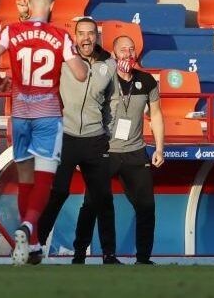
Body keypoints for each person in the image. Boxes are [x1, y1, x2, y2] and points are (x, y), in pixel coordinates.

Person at [0, 0, 88, 266]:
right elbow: (79, 75)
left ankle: (32, 246)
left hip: (19, 114)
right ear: (51, 5)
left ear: (29, 4)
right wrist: (82, 64)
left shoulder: (11, 30)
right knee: (45, 180)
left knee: (26, 180)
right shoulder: (59, 35)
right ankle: (28, 227)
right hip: (47, 114)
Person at [74, 35, 165, 265]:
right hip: (104, 150)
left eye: (132, 49)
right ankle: (85, 254)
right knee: (93, 204)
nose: (128, 54)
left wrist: (160, 149)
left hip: (135, 151)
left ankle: (143, 258)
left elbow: (155, 115)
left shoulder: (147, 81)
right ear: (114, 54)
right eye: (123, 50)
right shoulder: (104, 78)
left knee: (146, 207)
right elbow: (84, 111)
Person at [37, 17, 120, 265]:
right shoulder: (65, 60)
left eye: (91, 33)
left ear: (97, 36)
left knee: (102, 198)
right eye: (81, 33)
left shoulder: (109, 65)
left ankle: (108, 254)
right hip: (66, 136)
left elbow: (113, 101)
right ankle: (35, 246)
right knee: (58, 193)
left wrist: (108, 131)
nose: (86, 38)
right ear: (75, 36)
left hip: (95, 140)